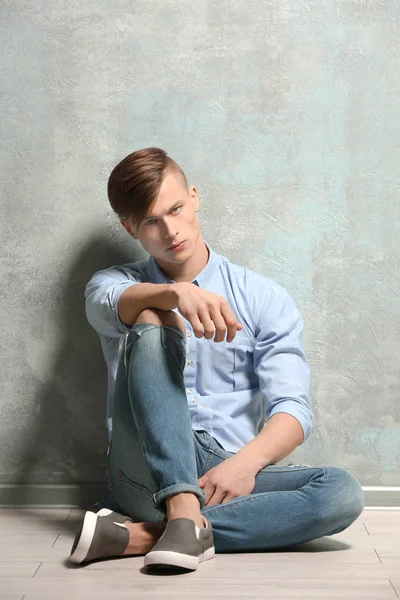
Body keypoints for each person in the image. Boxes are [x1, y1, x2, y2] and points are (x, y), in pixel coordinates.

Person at [69, 147, 364, 572]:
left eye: (176, 208)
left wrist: (244, 465)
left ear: (194, 197)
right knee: (153, 316)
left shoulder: (262, 297)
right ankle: (181, 514)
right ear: (130, 228)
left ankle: (141, 535)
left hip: (222, 471)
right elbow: (109, 305)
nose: (170, 230)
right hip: (141, 470)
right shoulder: (115, 284)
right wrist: (174, 293)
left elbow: (292, 409)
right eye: (151, 221)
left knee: (341, 493)